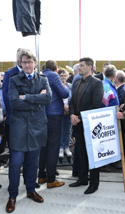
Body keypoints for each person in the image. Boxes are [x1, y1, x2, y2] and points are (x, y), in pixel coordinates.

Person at [6, 49, 51, 213]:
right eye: (24, 62)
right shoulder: (13, 80)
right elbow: (13, 103)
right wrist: (36, 99)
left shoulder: (43, 79)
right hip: (19, 127)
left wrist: (25, 97)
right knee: (16, 163)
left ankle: (31, 190)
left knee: (33, 162)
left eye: (29, 62)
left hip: (37, 126)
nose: (27, 65)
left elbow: (48, 99)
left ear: (35, 63)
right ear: (20, 63)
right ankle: (12, 195)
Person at [69, 57, 104, 194]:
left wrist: (79, 117)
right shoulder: (77, 82)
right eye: (79, 66)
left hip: (89, 124)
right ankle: (83, 179)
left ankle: (94, 183)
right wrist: (72, 114)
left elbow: (95, 105)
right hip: (77, 124)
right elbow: (72, 102)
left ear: (90, 67)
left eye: (82, 66)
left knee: (92, 155)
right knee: (80, 153)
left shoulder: (97, 83)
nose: (79, 68)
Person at [38, 60, 69, 188]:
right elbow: (65, 93)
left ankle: (41, 175)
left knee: (44, 146)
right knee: (53, 147)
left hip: (42, 115)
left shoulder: (39, 75)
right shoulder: (53, 76)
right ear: (56, 69)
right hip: (54, 114)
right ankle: (51, 179)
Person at [58, 68, 73, 158]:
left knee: (67, 131)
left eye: (65, 75)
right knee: (61, 130)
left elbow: (73, 98)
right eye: (61, 75)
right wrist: (63, 107)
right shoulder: (57, 86)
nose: (63, 77)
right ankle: (60, 148)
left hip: (69, 112)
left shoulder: (70, 86)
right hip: (60, 111)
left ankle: (66, 147)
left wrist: (69, 108)